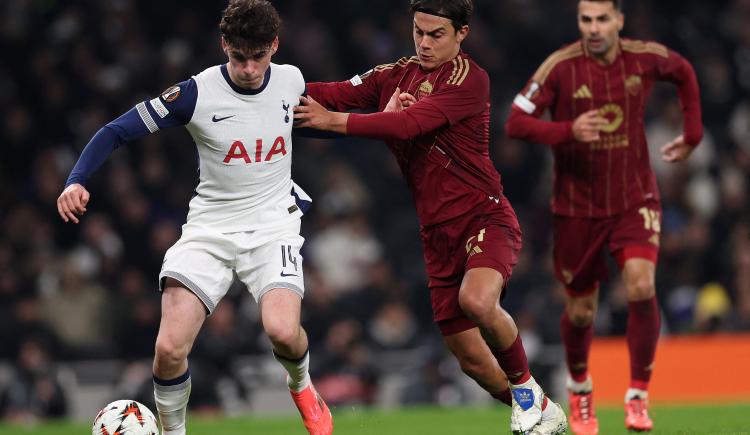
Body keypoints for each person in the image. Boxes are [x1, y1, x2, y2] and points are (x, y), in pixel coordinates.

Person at [56, 1, 333, 434]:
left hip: (272, 224)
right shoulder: (195, 93)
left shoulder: (291, 79)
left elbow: (306, 122)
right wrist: (77, 179)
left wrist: (382, 114)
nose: (247, 68)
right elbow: (115, 131)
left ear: (274, 46)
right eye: (238, 56)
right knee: (168, 349)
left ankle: (301, 385)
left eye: (257, 57)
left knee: (282, 331)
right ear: (224, 45)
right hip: (210, 230)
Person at [293, 1, 567, 433]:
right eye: (418, 31)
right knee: (472, 360)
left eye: (436, 34)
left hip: (483, 216)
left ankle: (529, 393)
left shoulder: (469, 80)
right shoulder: (395, 74)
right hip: (436, 235)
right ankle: (538, 408)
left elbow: (405, 126)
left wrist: (332, 123)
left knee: (476, 301)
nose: (423, 42)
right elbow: (333, 90)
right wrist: (270, 85)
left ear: (462, 34)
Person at [504, 0, 703, 433]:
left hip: (635, 198)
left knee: (641, 284)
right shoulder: (559, 67)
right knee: (580, 311)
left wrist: (693, 133)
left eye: (601, 19)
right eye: (585, 20)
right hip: (576, 209)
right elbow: (516, 122)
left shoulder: (643, 57)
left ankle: (637, 397)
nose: (593, 28)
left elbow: (684, 71)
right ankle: (579, 389)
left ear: (619, 20)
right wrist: (567, 130)